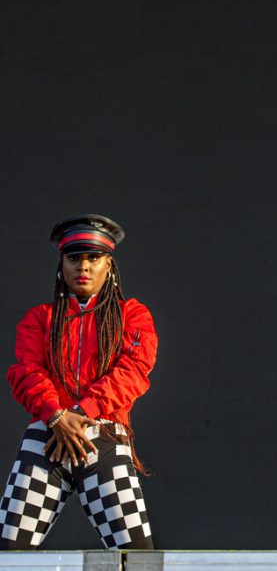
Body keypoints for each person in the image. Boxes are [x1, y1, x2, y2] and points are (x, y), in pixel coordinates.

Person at [0, 215, 157, 550]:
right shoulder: (39, 318)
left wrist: (80, 412)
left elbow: (134, 371)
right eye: (74, 258)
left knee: (136, 559)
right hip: (46, 440)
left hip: (103, 440)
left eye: (93, 257)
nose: (83, 266)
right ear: (62, 263)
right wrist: (56, 416)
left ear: (109, 265)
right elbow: (26, 372)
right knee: (9, 555)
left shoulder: (133, 315)